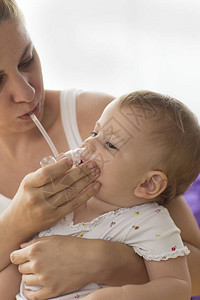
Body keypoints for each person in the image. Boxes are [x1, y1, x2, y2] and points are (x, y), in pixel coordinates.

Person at [0, 0, 199, 299]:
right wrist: (15, 222)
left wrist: (104, 261)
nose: (26, 93)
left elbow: (189, 272)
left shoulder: (112, 118)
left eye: (26, 60)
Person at [14, 90, 200, 300]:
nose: (88, 143)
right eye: (95, 133)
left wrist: (121, 295)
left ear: (148, 184)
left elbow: (177, 287)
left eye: (109, 144)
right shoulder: (61, 202)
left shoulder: (150, 223)